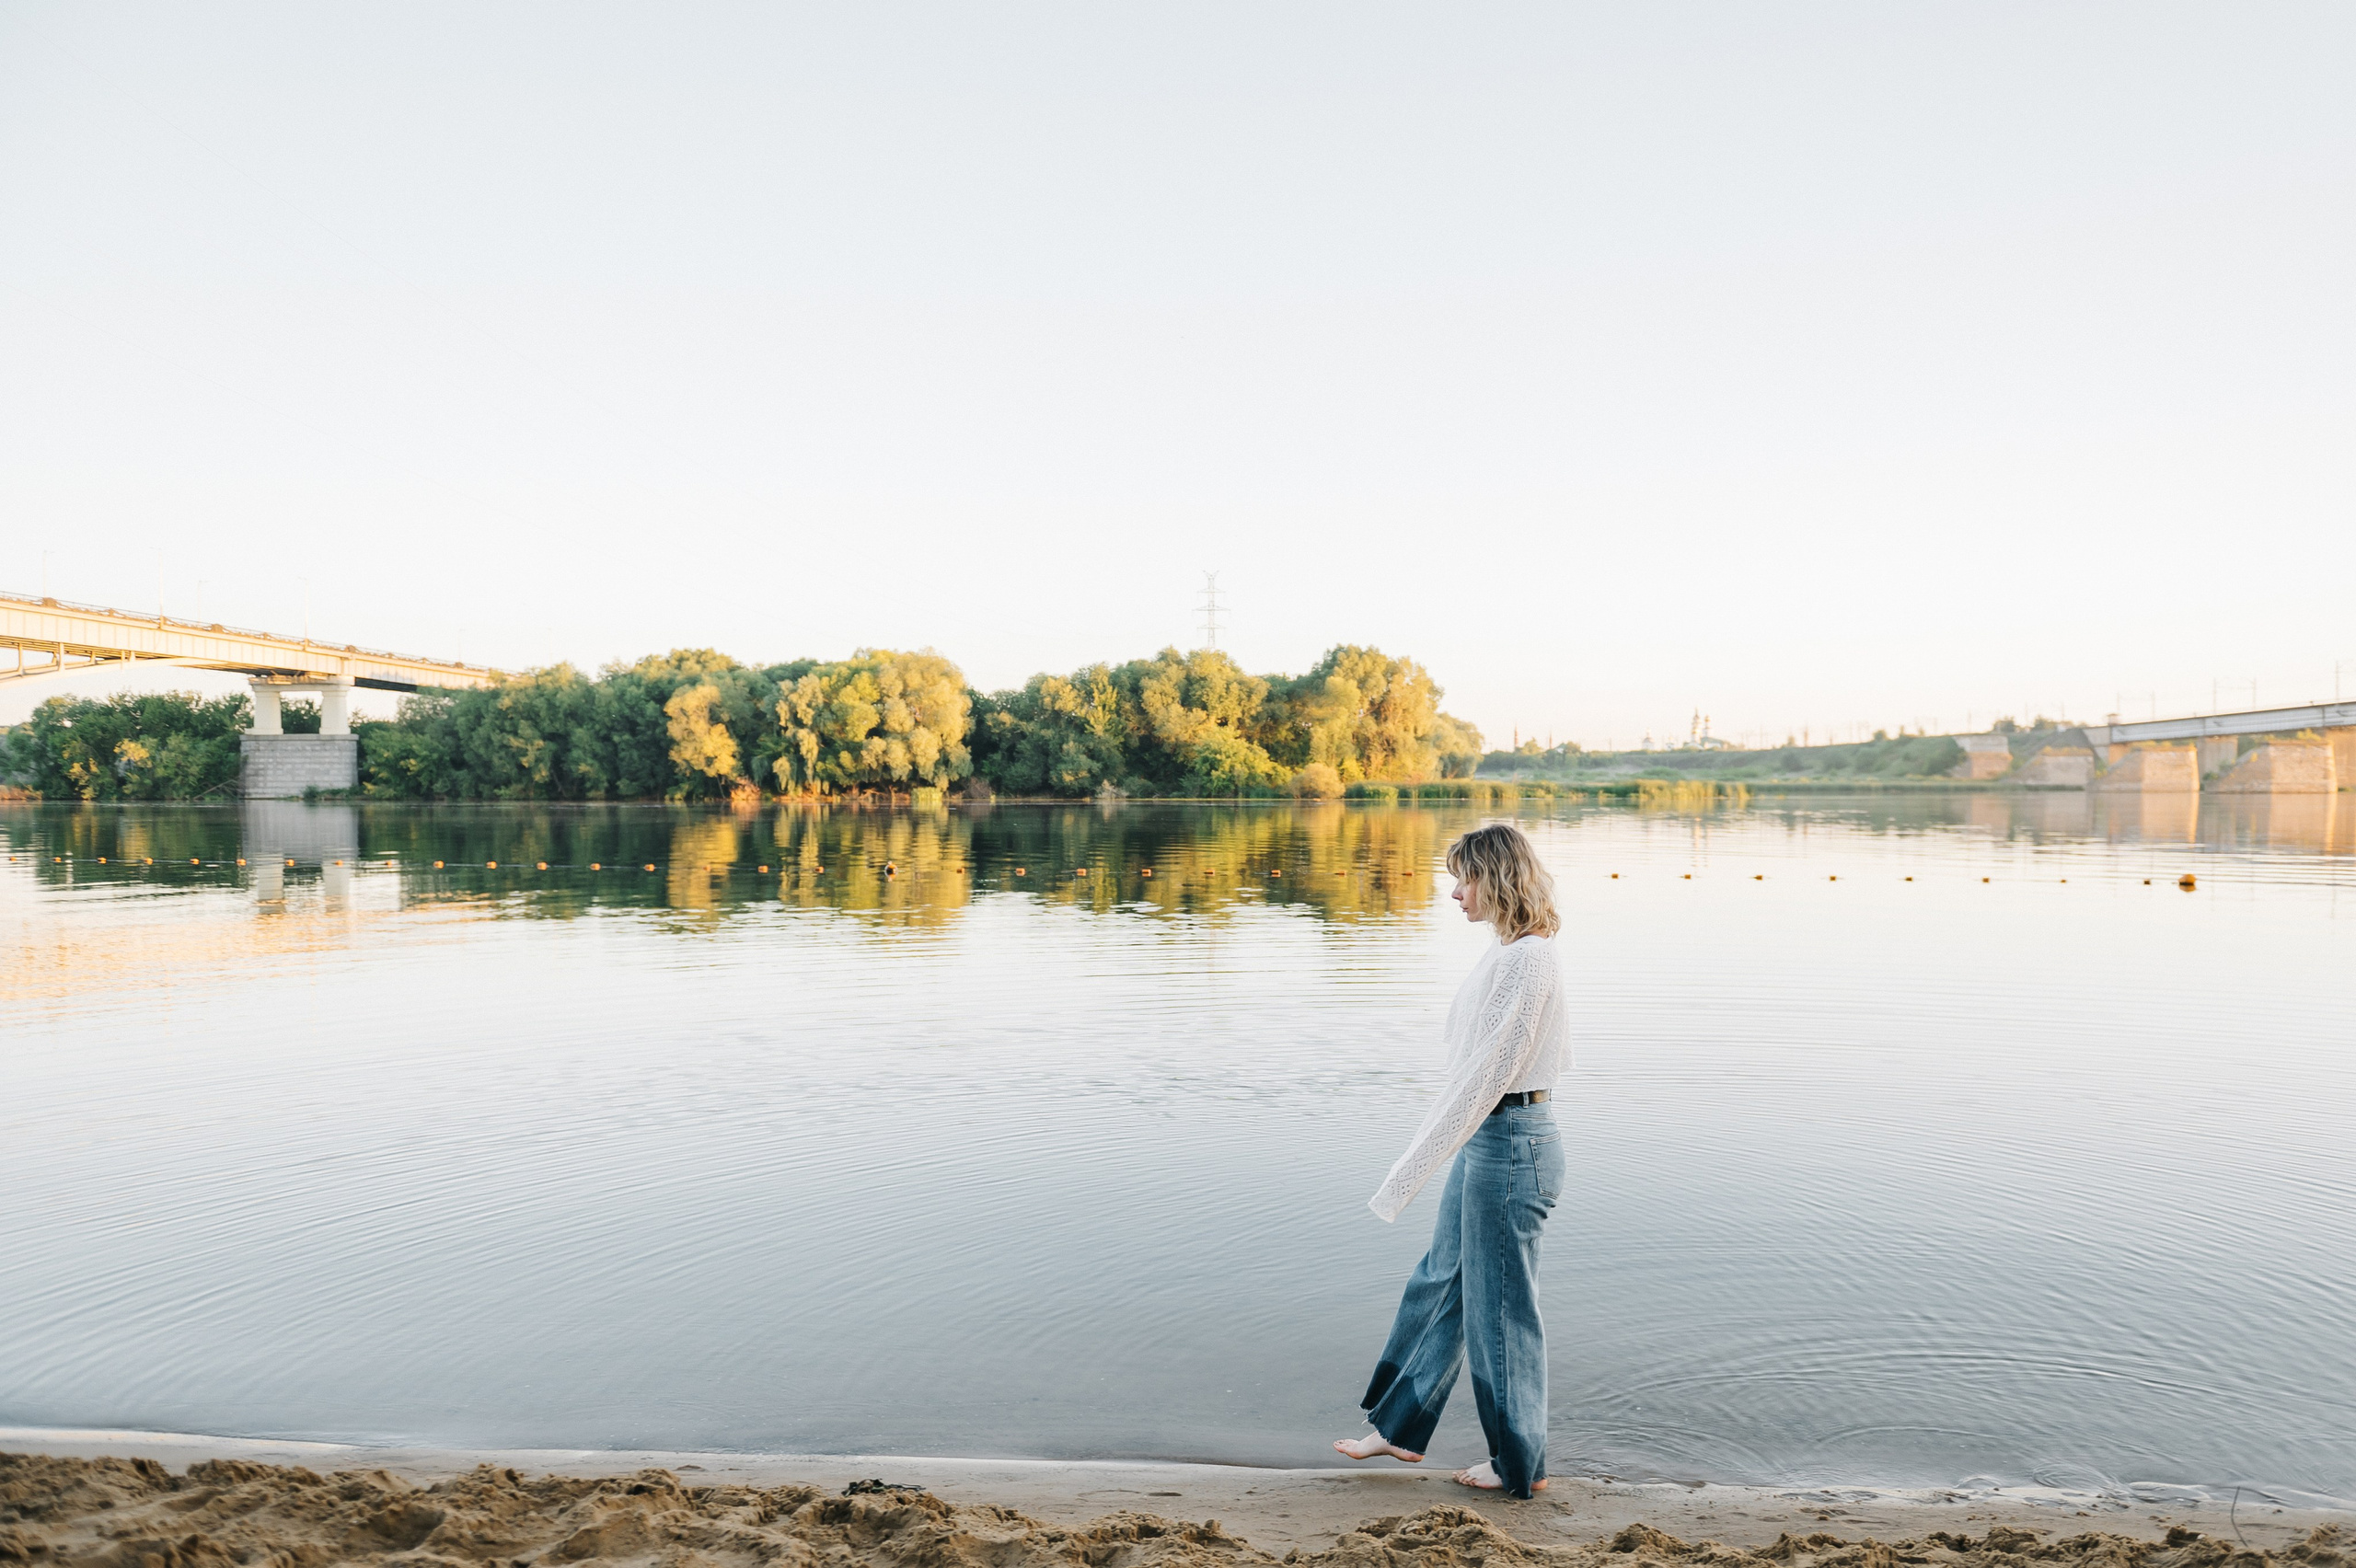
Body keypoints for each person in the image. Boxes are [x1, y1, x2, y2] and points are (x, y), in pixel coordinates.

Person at [1332, 822, 1570, 1498]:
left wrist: (1414, 1164)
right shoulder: (1510, 952)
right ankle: (1400, 1425)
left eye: (1463, 877)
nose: (1454, 892)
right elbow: (1477, 1063)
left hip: (1513, 1141)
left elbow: (1491, 1069)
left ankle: (1518, 1463)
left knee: (1501, 1312)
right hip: (1494, 1137)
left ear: (1496, 878)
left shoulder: (1529, 958)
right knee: (1442, 1279)